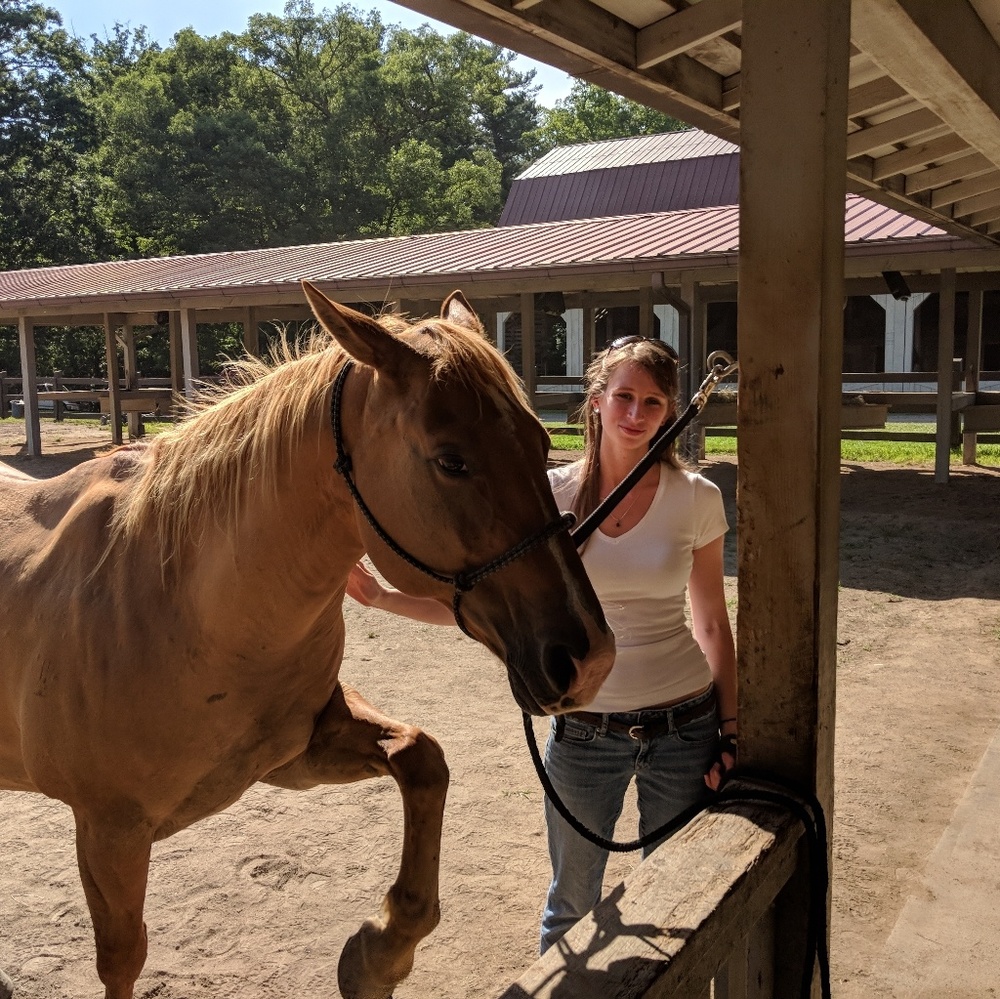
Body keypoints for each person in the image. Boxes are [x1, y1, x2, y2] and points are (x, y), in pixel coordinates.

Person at [345, 333, 737, 955]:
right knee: (571, 905)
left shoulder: (698, 498)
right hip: (585, 731)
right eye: (625, 397)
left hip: (684, 727)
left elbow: (711, 621)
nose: (636, 415)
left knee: (678, 896)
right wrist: (384, 599)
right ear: (597, 401)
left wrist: (731, 729)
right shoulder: (549, 493)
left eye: (654, 403)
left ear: (671, 410)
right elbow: (494, 605)